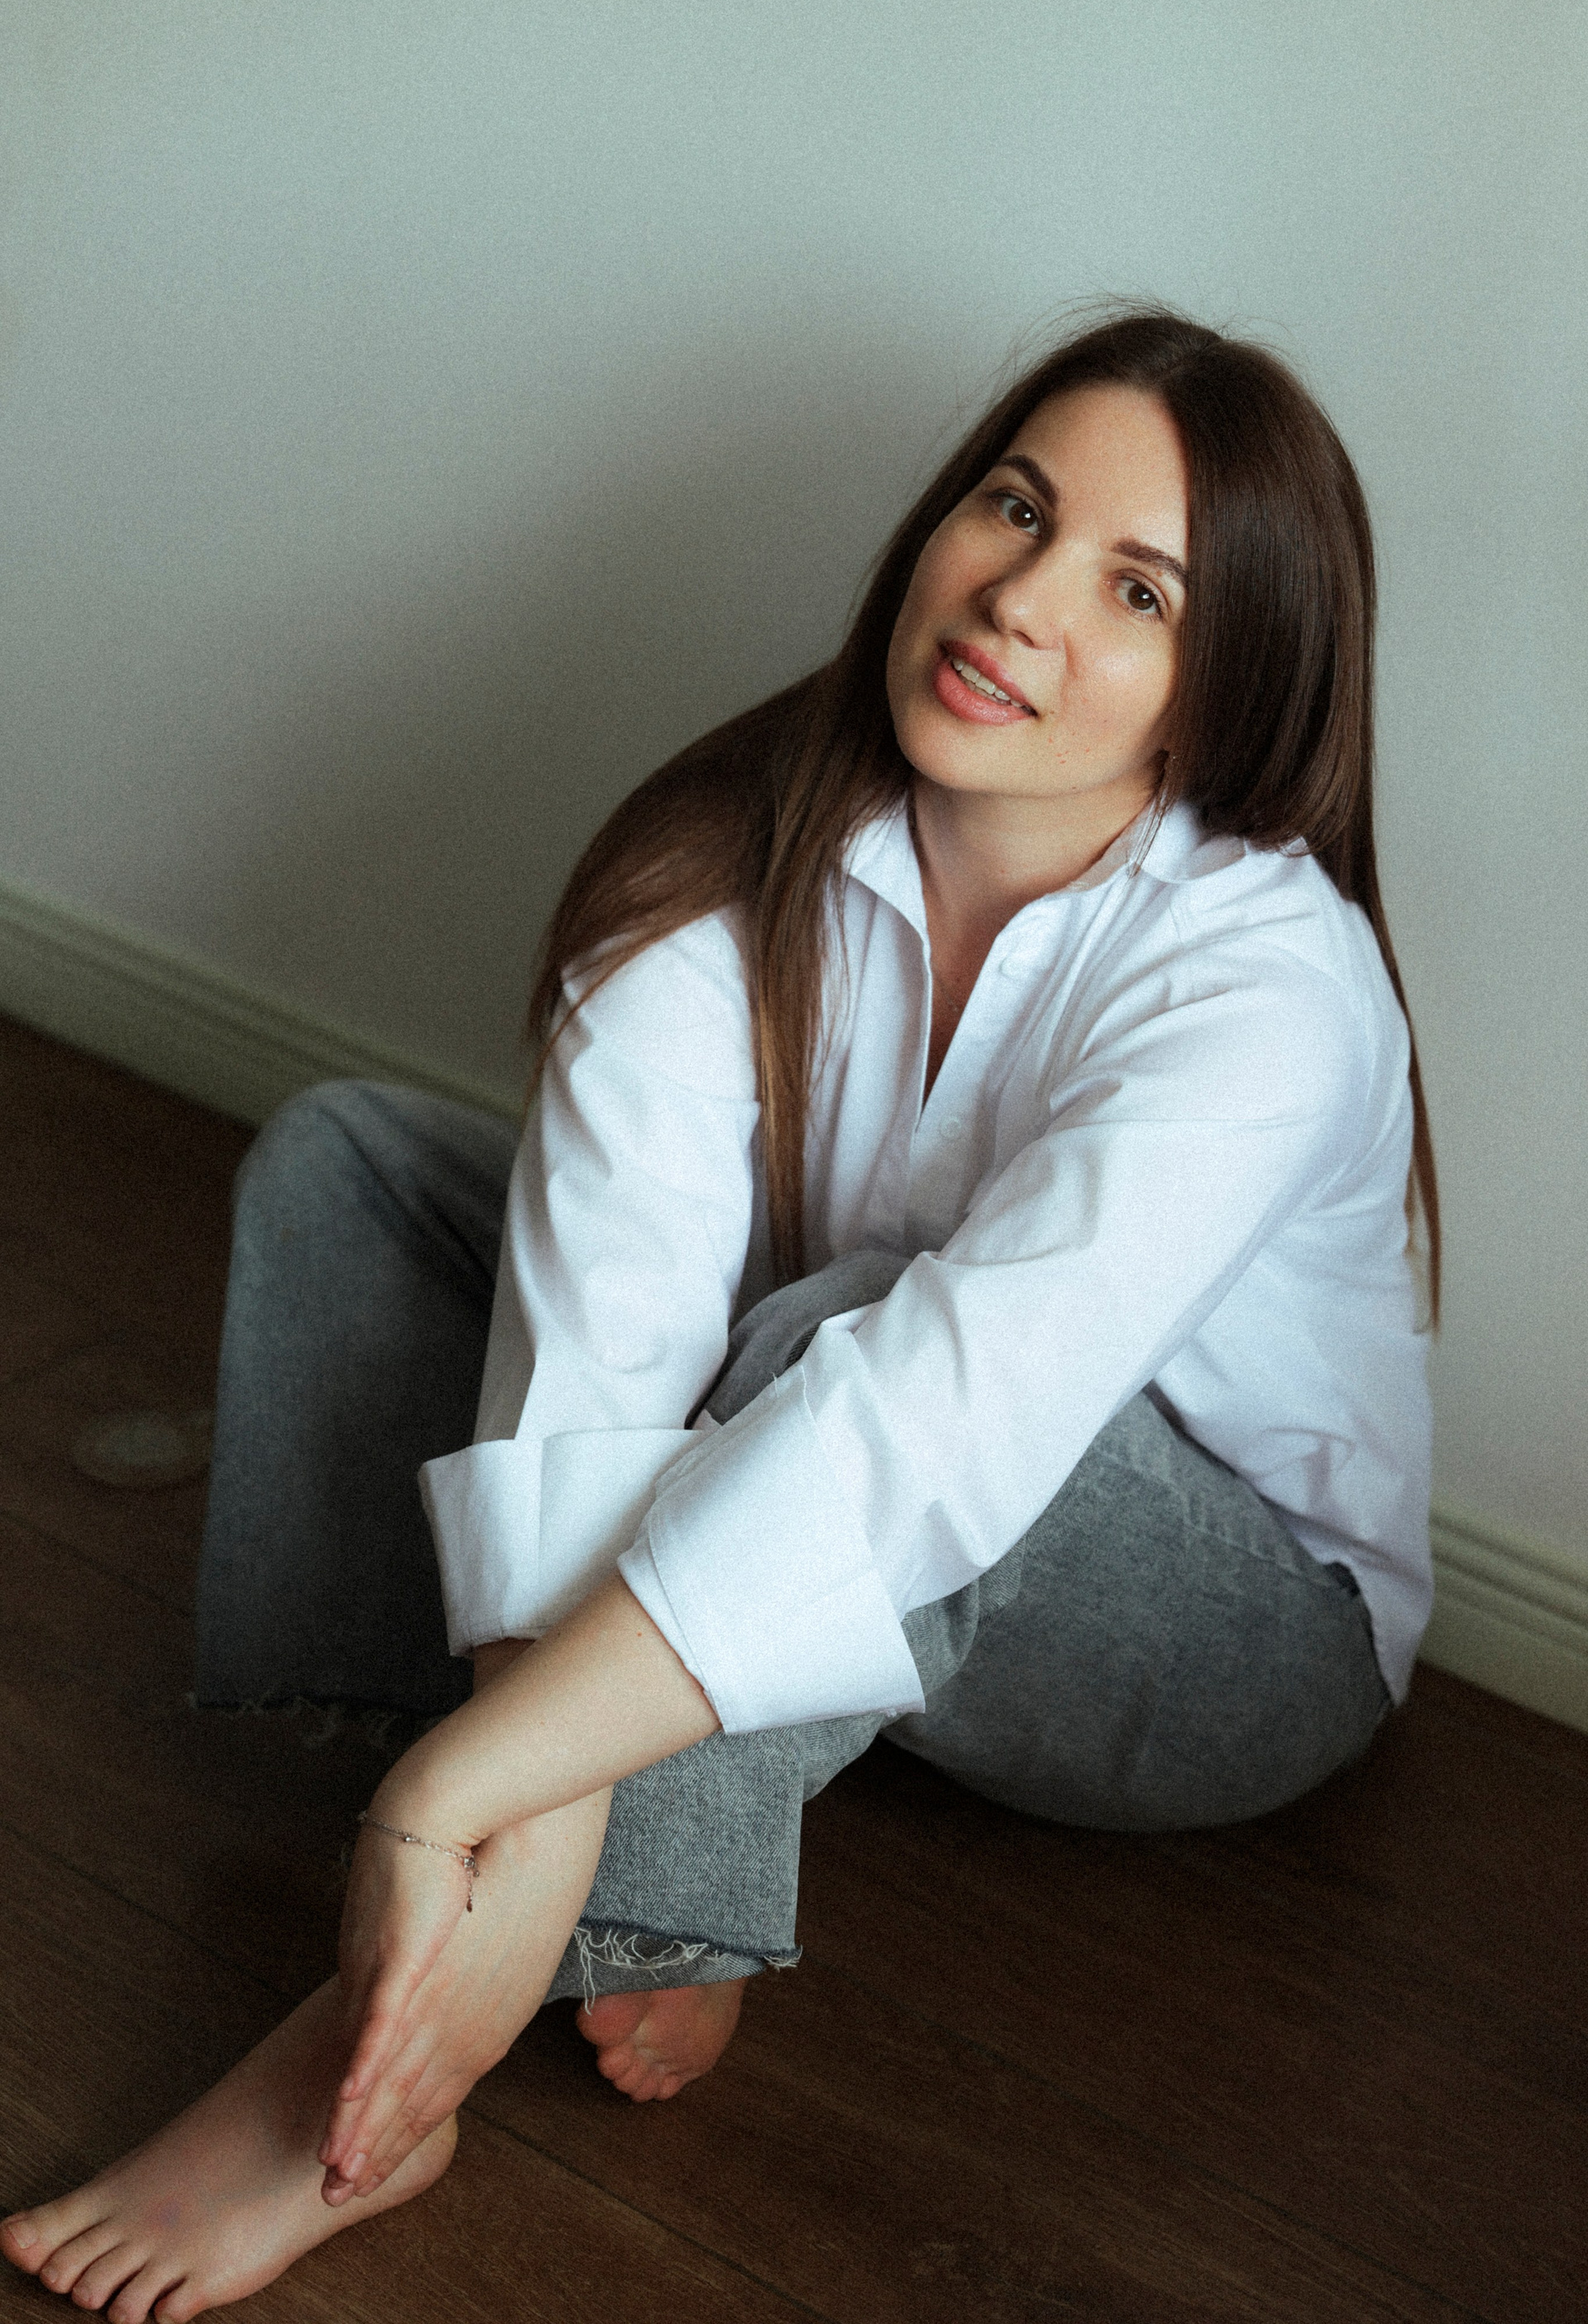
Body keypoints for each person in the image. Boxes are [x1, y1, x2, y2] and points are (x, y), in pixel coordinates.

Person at [2, 306, 1437, 2322]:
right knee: (354, 1163)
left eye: (1140, 591)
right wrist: (532, 1771)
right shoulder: (743, 838)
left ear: (1235, 688)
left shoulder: (1267, 984)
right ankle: (575, 1847)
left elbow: (939, 1421)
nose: (1023, 598)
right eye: (1015, 507)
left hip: (1228, 1635)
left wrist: (466, 1800)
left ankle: (394, 2043)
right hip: (845, 1467)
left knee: (851, 1340)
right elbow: (606, 1340)